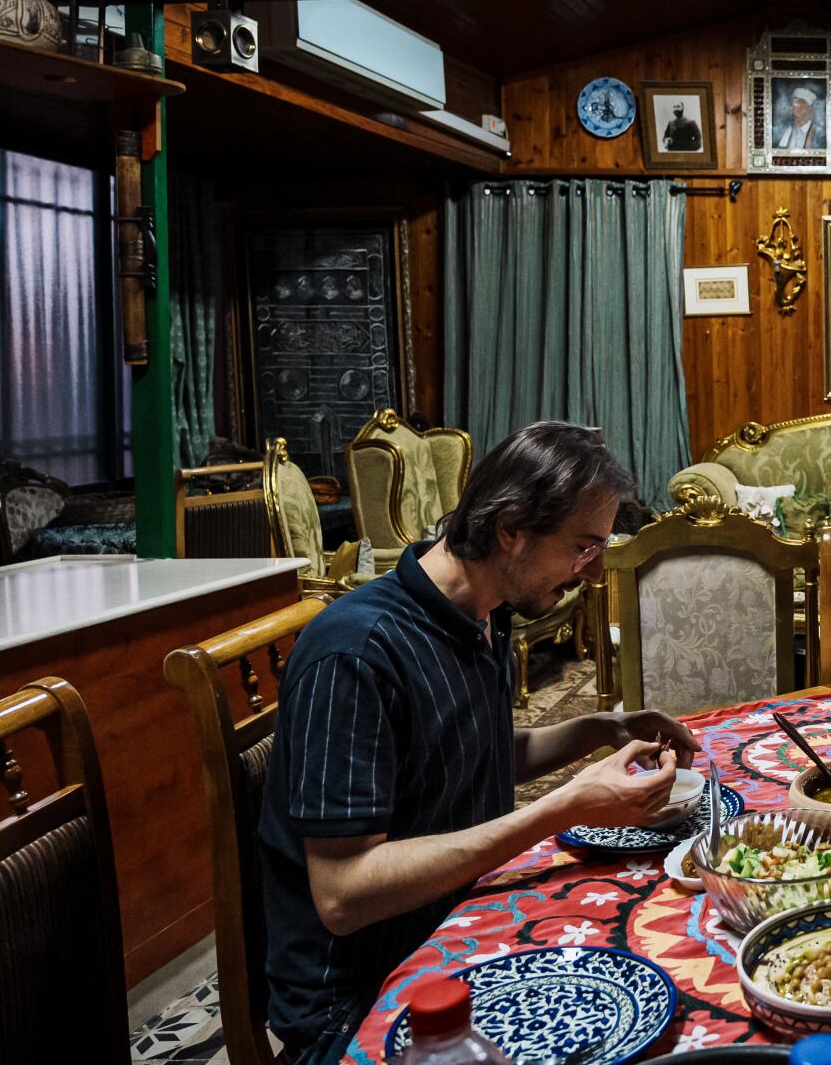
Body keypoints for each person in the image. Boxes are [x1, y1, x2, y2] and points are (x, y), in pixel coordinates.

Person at [259, 422, 700, 1063]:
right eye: (583, 546)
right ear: (510, 528)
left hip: (459, 925)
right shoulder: (356, 653)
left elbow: (470, 755)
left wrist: (602, 730)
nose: (595, 569)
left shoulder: (481, 613)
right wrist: (562, 808)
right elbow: (343, 896)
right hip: (364, 1001)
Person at [775, 85, 822, 150]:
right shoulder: (789, 131)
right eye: (794, 107)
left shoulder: (818, 132)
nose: (795, 112)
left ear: (809, 110)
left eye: (800, 107)